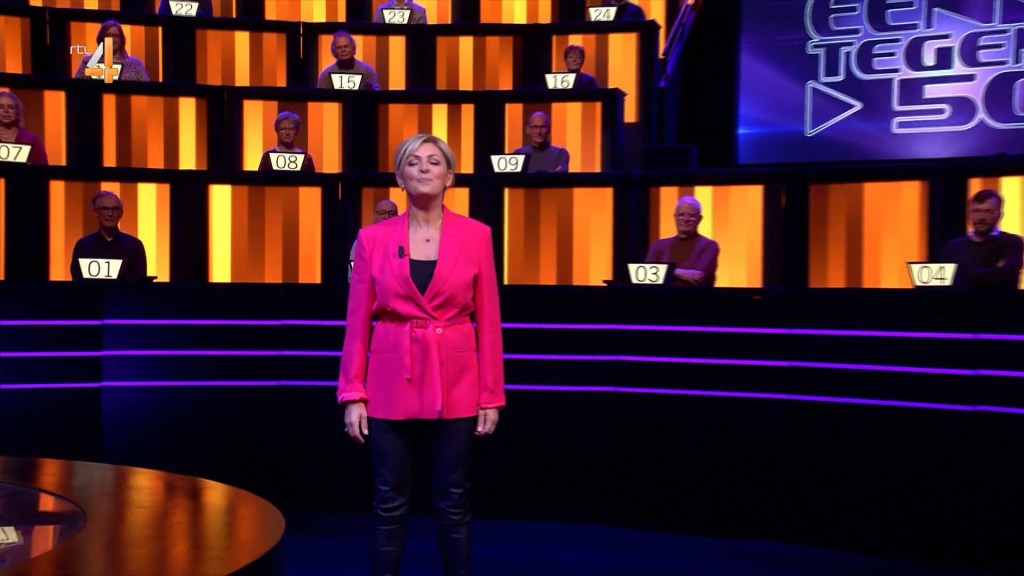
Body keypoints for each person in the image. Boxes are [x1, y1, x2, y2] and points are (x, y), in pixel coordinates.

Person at [339, 134, 504, 576]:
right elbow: (357, 323)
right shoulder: (372, 239)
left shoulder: (477, 235)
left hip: (458, 380)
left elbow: (489, 321)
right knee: (389, 500)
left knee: (453, 500)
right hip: (390, 380)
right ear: (400, 177)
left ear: (450, 176)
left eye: (434, 161)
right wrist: (352, 392)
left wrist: (491, 395)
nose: (424, 168)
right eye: (414, 161)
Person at [939, 189, 1023, 289]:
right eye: (976, 211)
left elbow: (1006, 276)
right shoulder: (953, 247)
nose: (981, 217)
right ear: (968, 214)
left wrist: (961, 273)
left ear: (999, 215)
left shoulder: (1012, 242)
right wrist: (993, 271)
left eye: (987, 212)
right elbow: (942, 284)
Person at [70, 191, 148, 281]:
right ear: (96, 212)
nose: (110, 214)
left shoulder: (135, 246)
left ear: (121, 213)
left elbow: (140, 282)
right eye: (105, 209)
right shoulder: (83, 245)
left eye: (115, 209)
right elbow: (78, 281)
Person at [645, 196, 719, 286]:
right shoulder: (659, 245)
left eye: (691, 216)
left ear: (699, 219)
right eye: (681, 215)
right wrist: (678, 272)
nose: (686, 219)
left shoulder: (709, 246)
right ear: (675, 217)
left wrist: (662, 271)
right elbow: (646, 274)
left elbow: (697, 277)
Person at [73, 20, 151, 82]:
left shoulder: (135, 64)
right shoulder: (88, 61)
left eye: (115, 36)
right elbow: (75, 86)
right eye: (108, 35)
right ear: (101, 39)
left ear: (121, 40)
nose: (112, 39)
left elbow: (147, 89)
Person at [349, 199, 399, 282]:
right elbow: (354, 272)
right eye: (382, 213)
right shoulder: (362, 242)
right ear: (374, 216)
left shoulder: (404, 241)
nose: (387, 217)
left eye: (392, 213)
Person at [317, 30, 381, 90]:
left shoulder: (367, 71)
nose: (343, 50)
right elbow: (319, 97)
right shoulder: (325, 75)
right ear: (334, 51)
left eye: (346, 46)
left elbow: (377, 93)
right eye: (339, 47)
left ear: (353, 48)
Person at [0, 91, 49, 166]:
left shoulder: (32, 140)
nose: (6, 110)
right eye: (0, 107)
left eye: (11, 107)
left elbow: (43, 167)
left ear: (17, 112)